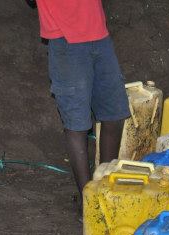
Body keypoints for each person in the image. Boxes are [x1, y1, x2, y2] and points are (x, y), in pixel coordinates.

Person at [25, 0, 130, 198]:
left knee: (114, 115)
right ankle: (87, 200)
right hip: (66, 39)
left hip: (99, 33)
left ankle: (103, 187)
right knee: (77, 124)